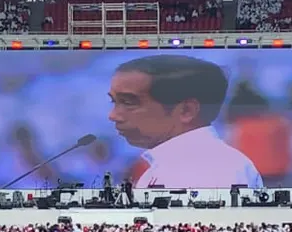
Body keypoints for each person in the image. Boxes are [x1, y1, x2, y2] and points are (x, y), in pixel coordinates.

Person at [107, 55, 263, 189]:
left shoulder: (209, 168)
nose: (113, 115)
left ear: (186, 110)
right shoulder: (176, 165)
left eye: (128, 102)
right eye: (114, 102)